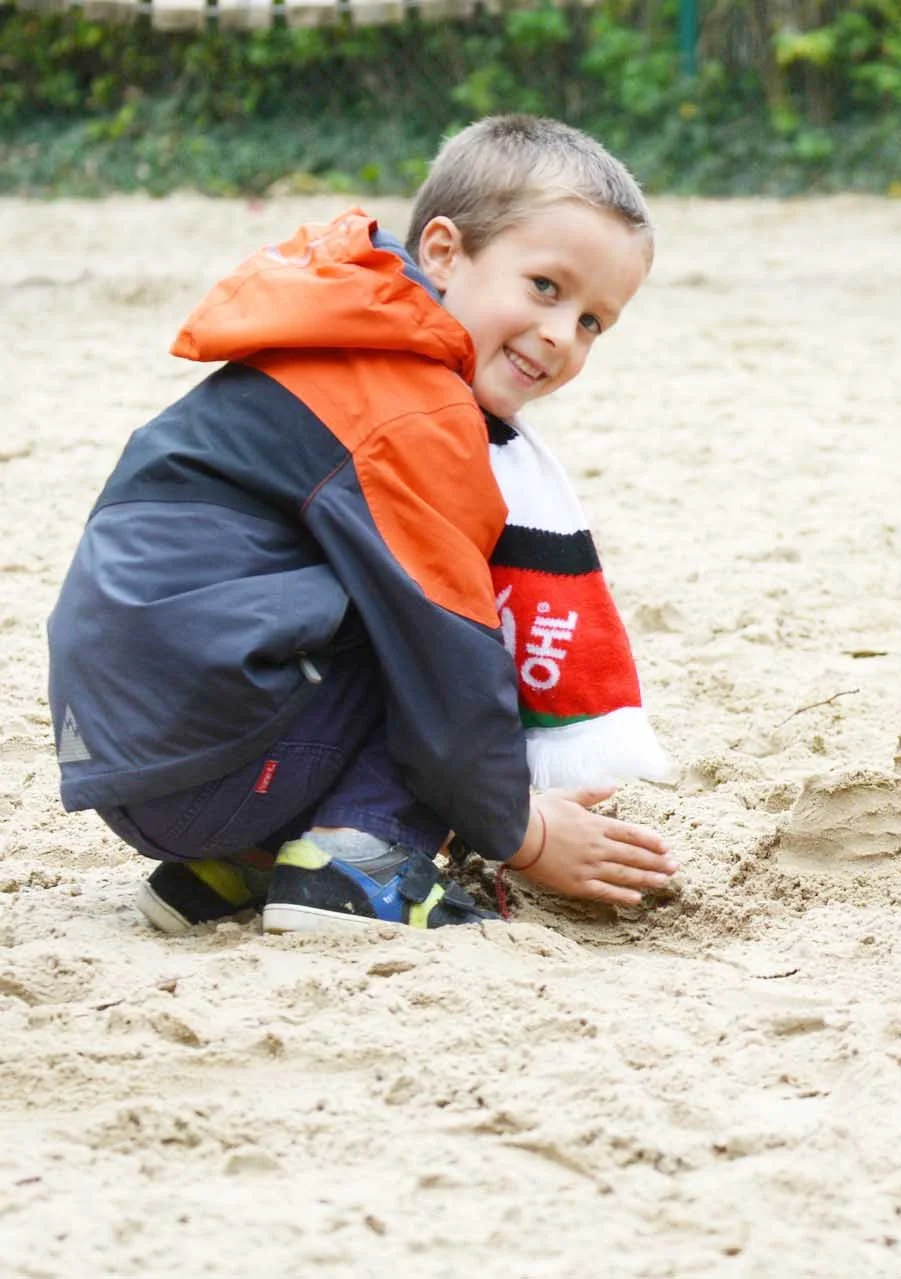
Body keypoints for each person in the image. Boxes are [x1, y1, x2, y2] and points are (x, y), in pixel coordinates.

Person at [47, 116, 680, 933]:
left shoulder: (345, 334)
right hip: (210, 757)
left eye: (594, 321)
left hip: (126, 754)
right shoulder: (413, 407)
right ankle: (357, 857)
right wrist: (526, 833)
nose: (561, 335)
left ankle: (241, 865)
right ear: (446, 253)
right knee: (434, 634)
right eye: (546, 287)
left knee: (371, 594)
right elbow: (447, 665)